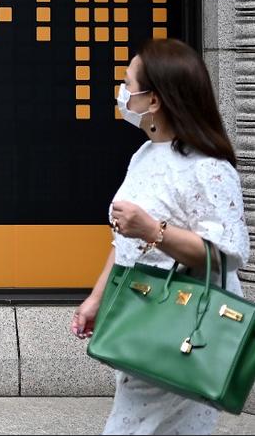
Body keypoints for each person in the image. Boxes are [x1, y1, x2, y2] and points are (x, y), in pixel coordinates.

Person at [71, 38, 250, 435]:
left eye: (128, 83)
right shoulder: (145, 155)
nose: (122, 93)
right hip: (145, 320)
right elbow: (125, 243)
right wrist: (97, 298)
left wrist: (153, 229)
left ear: (154, 101)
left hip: (185, 327)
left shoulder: (209, 168)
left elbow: (224, 256)